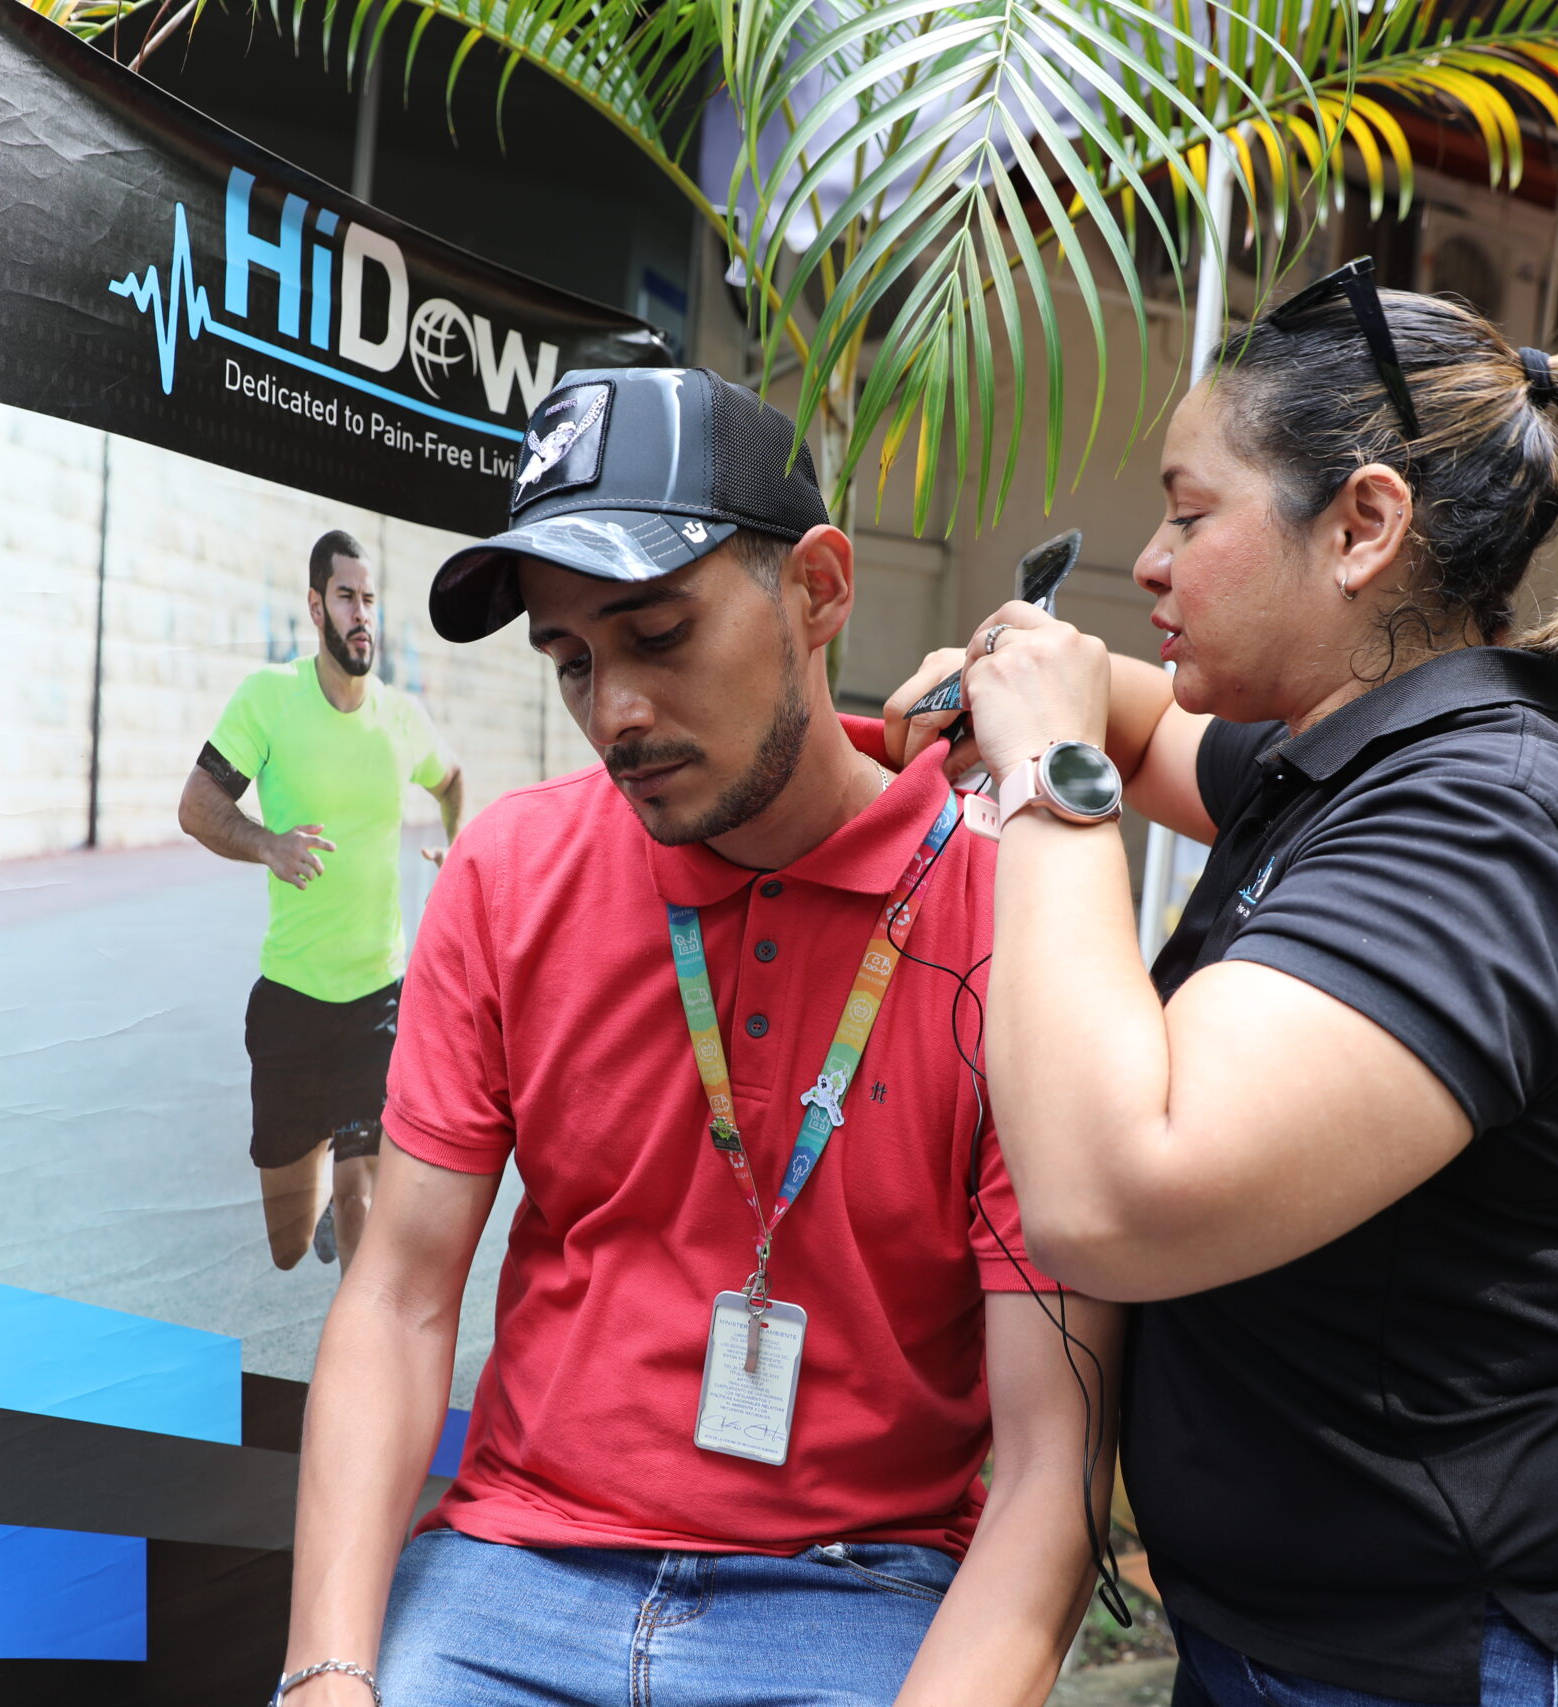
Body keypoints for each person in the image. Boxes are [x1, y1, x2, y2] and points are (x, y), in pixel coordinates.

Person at [889, 262, 1558, 1707]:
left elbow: (1110, 1198)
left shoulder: (1485, 821)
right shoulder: (1340, 757)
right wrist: (1025, 669)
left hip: (1499, 1656)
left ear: (1362, 526)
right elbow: (1141, 729)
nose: (1150, 561)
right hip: (1314, 1639)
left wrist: (1043, 772)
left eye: (1189, 514)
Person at [274, 368, 1117, 1707]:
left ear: (819, 590)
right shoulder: (511, 872)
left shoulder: (1009, 918)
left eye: (658, 633)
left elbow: (1050, 1457)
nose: (613, 709)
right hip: (515, 1569)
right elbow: (398, 1296)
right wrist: (326, 1670)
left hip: (854, 1589)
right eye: (571, 661)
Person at [179, 532, 463, 1274]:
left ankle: (353, 1188)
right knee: (289, 1246)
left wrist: (457, 850)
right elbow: (197, 804)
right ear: (315, 606)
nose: (361, 613)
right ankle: (331, 1190)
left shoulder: (400, 716)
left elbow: (452, 780)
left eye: (369, 599)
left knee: (361, 1200)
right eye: (345, 597)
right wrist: (266, 843)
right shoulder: (269, 698)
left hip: (378, 1003)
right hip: (291, 1005)